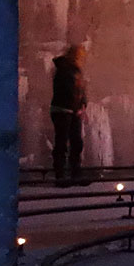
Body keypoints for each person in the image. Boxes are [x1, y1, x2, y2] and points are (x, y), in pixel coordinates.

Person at [50, 44, 88, 186]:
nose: (82, 58)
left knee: (76, 142)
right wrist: (76, 106)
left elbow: (81, 89)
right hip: (62, 110)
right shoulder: (63, 69)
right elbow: (66, 90)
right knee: (62, 142)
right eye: (80, 55)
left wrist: (83, 103)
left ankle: (75, 173)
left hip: (73, 110)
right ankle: (60, 175)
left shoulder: (76, 70)